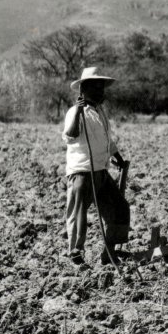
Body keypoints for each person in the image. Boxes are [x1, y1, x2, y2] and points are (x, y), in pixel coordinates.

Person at [62, 67, 130, 266]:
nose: (101, 92)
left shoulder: (100, 112)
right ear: (84, 90)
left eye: (102, 88)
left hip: (101, 170)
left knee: (120, 208)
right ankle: (75, 254)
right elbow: (71, 135)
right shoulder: (75, 112)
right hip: (82, 171)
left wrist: (117, 157)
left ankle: (108, 252)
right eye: (96, 88)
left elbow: (106, 140)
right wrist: (79, 112)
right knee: (79, 214)